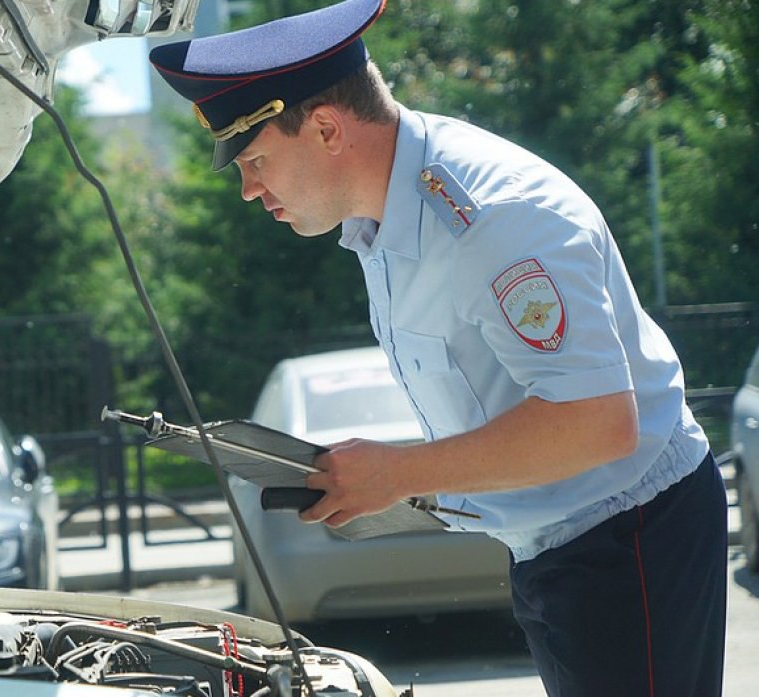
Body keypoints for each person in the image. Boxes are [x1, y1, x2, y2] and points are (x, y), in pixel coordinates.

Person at [149, 1, 728, 695]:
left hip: (629, 534)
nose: (248, 189)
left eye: (255, 158)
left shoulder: (492, 217)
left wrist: (398, 472)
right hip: (563, 542)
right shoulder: (385, 215)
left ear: (328, 128)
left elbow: (597, 420)